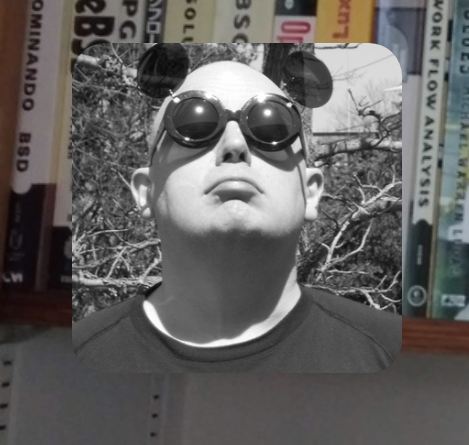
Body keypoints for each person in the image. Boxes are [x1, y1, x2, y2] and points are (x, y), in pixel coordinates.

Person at [73, 44, 401, 373]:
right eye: (194, 123)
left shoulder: (397, 355)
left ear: (311, 192)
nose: (234, 145)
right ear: (146, 191)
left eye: (271, 126)